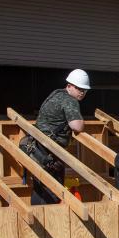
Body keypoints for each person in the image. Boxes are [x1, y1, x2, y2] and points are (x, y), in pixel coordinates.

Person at [21, 69, 91, 204]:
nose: (82, 92)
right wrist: (83, 122)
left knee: (39, 188)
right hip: (50, 151)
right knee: (53, 191)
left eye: (84, 90)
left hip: (38, 148)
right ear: (69, 85)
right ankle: (49, 222)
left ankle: (38, 220)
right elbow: (76, 126)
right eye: (79, 88)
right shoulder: (70, 100)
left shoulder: (56, 94)